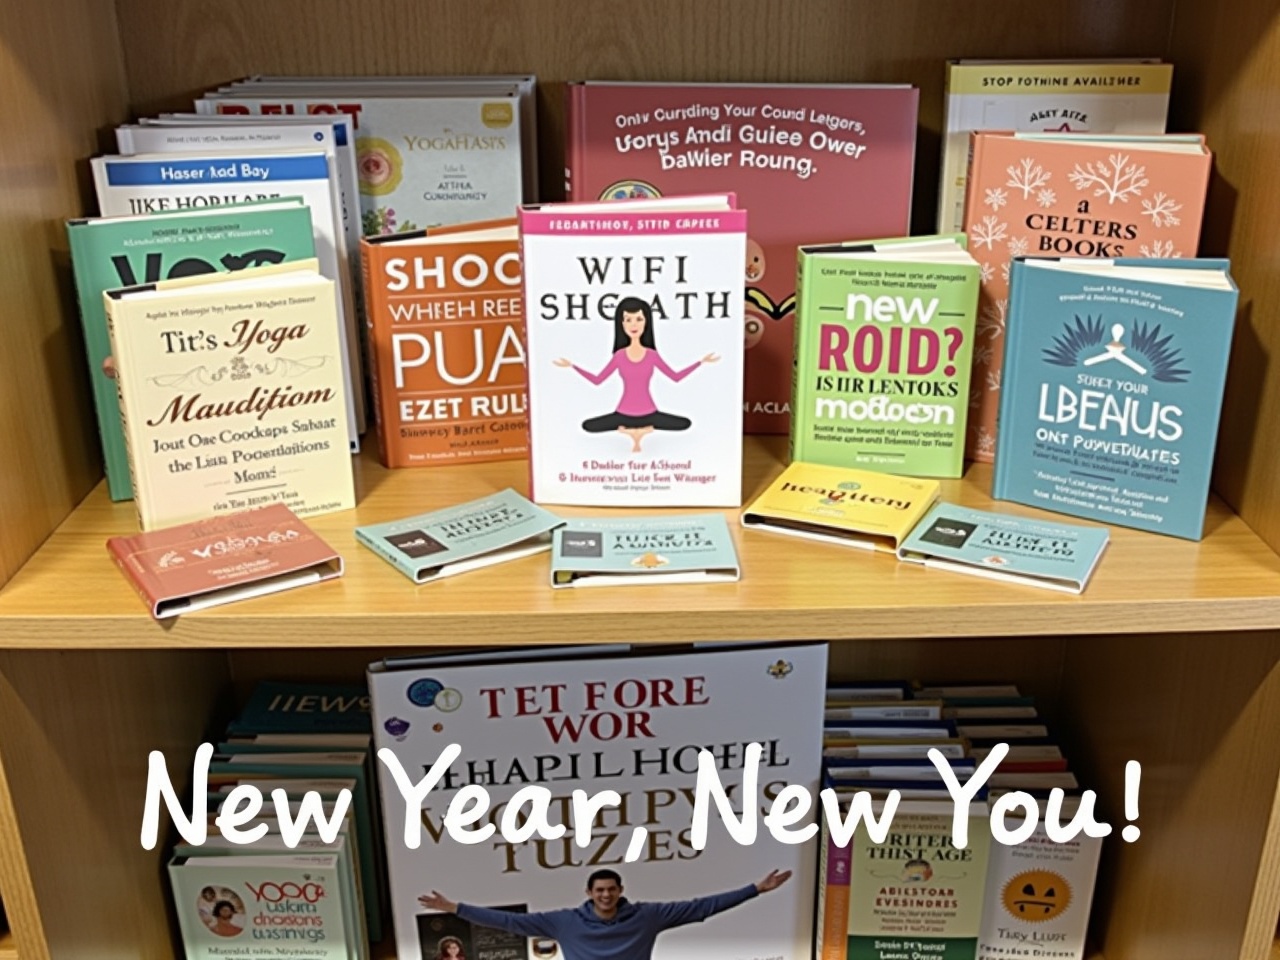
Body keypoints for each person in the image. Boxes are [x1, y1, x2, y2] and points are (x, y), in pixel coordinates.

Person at [418, 867, 791, 960]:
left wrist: (755, 889)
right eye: (600, 890)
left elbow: (701, 908)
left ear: (620, 891)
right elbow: (509, 923)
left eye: (612, 889)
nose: (606, 894)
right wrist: (455, 909)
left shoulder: (648, 916)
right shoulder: (563, 921)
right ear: (589, 893)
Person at [555, 297, 718, 453]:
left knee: (684, 423)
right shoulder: (619, 356)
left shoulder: (651, 355)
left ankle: (632, 432)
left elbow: (675, 377)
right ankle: (640, 431)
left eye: (639, 319)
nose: (634, 324)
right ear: (622, 324)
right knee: (588, 425)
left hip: (650, 413)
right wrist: (572, 366)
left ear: (646, 322)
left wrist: (700, 362)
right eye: (628, 319)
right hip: (622, 413)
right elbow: (598, 380)